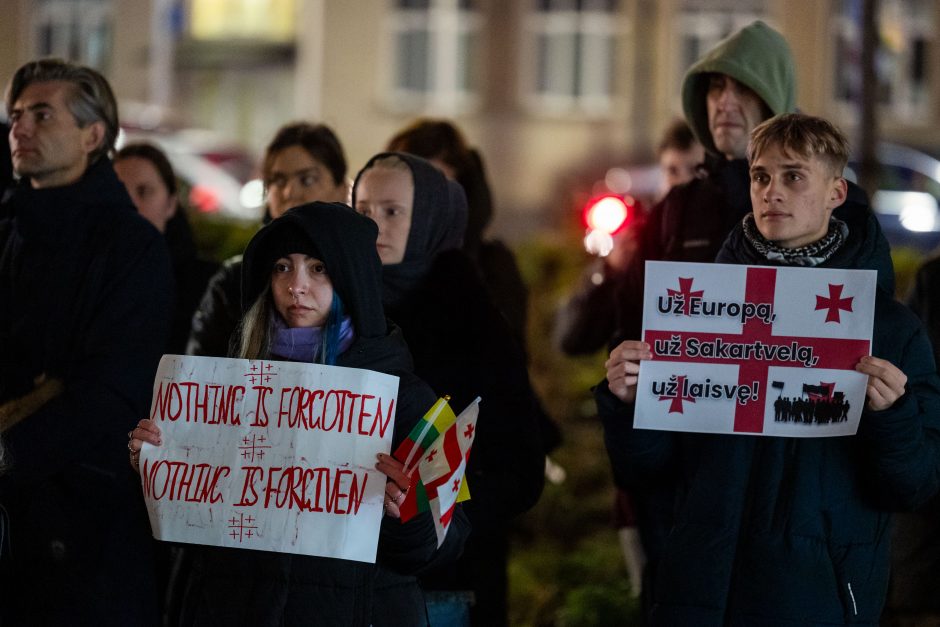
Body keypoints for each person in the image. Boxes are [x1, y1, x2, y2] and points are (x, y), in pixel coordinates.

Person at [597, 113, 940, 625]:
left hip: (816, 597)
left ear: (835, 193)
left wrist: (893, 416)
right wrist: (628, 404)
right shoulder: (697, 311)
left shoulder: (888, 329)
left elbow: (916, 485)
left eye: (793, 176)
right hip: (703, 589)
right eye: (761, 176)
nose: (771, 191)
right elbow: (647, 471)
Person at [129, 201, 467, 626]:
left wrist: (409, 514)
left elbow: (448, 542)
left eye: (318, 268)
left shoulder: (407, 399)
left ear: (352, 279)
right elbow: (192, 536)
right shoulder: (223, 392)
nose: (296, 286)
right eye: (282, 268)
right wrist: (158, 469)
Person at [0, 58, 172, 625]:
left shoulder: (131, 248)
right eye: (16, 115)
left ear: (93, 135)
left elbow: (111, 391)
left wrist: (8, 449)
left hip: (82, 540)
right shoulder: (8, 231)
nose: (19, 129)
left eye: (42, 114)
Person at [353, 152, 545, 627]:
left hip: (446, 587)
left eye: (392, 211)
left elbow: (518, 466)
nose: (373, 225)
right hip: (347, 583)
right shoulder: (332, 309)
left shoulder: (472, 319)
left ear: (431, 219)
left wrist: (431, 508)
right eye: (361, 211)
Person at [187, 121, 348, 358]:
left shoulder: (359, 278)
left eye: (307, 180)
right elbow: (201, 377)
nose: (289, 193)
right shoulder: (234, 284)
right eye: (278, 181)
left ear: (342, 190)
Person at [115, 142, 220, 354]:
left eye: (144, 191)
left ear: (171, 204)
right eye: (119, 191)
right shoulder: (83, 277)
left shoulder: (209, 286)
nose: (130, 204)